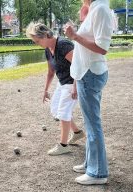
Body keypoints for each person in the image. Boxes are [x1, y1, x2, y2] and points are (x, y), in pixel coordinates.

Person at [64, 0, 113, 185]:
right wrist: (83, 19)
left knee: (93, 124)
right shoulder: (95, 9)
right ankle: (90, 163)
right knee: (91, 122)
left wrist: (75, 36)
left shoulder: (100, 9)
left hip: (90, 73)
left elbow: (102, 47)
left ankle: (98, 173)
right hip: (88, 72)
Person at [26, 22, 85, 156]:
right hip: (63, 82)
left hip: (73, 81)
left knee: (64, 112)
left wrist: (76, 86)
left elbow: (79, 65)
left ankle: (63, 145)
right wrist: (45, 90)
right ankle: (77, 132)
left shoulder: (64, 45)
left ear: (46, 35)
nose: (37, 43)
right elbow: (51, 72)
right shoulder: (48, 50)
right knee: (55, 109)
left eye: (37, 40)